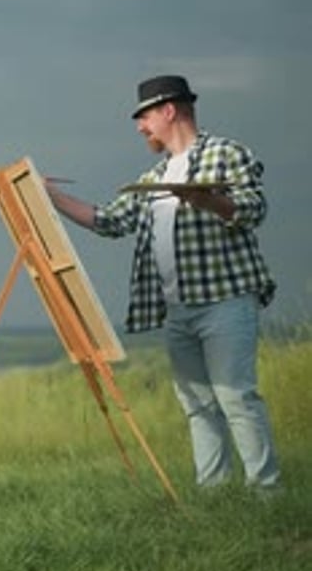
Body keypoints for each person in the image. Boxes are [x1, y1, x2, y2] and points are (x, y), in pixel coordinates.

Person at [45, 74, 280, 491]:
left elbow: (253, 208)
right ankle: (214, 493)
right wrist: (49, 197)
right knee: (197, 404)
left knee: (236, 397)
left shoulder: (226, 153)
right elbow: (110, 221)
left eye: (145, 117)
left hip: (225, 301)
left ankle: (266, 493)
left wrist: (208, 200)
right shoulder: (153, 178)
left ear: (169, 111)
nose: (140, 127)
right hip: (177, 309)